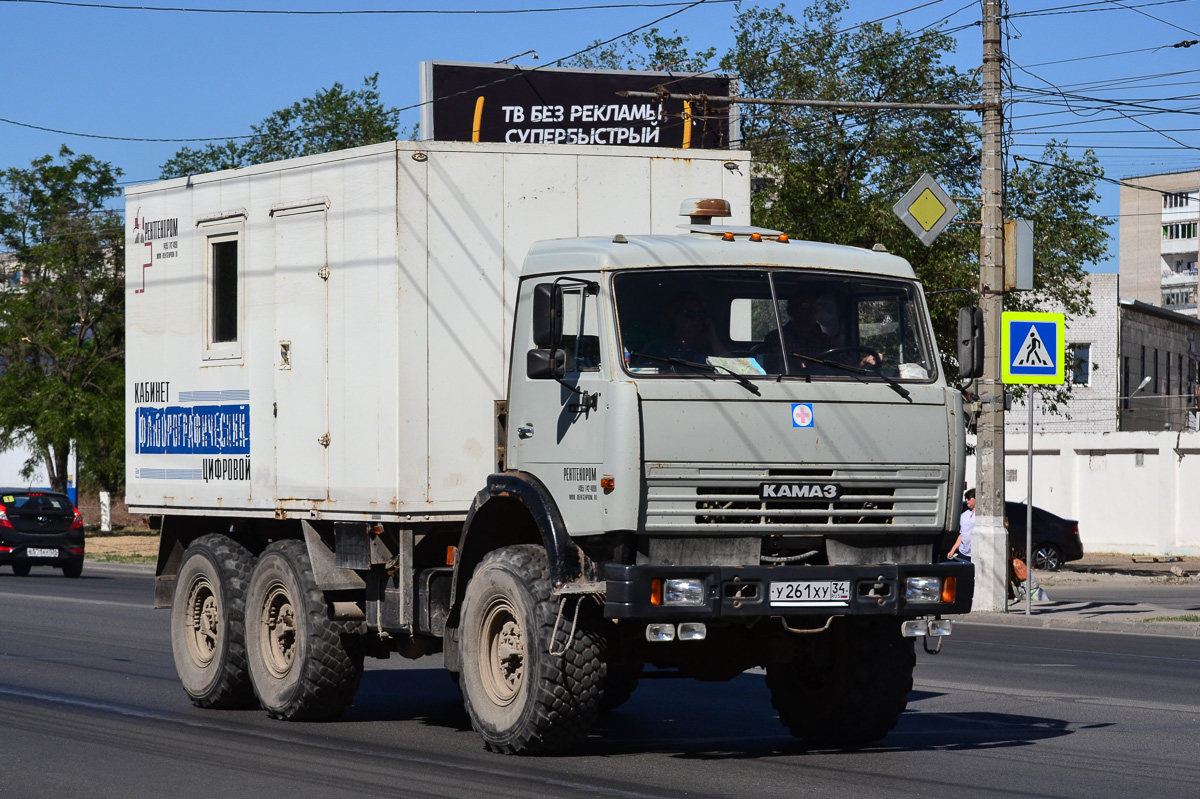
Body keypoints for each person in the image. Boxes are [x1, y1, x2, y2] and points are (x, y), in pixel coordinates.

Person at [640, 291, 721, 370]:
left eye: (700, 316)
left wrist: (713, 338)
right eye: (690, 314)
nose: (696, 320)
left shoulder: (707, 350)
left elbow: (729, 370)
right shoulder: (657, 347)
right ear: (674, 317)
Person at [949, 488, 975, 562]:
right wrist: (953, 550)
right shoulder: (964, 514)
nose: (967, 500)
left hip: (976, 553)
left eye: (969, 498)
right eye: (966, 498)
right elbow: (962, 534)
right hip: (963, 552)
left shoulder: (981, 515)